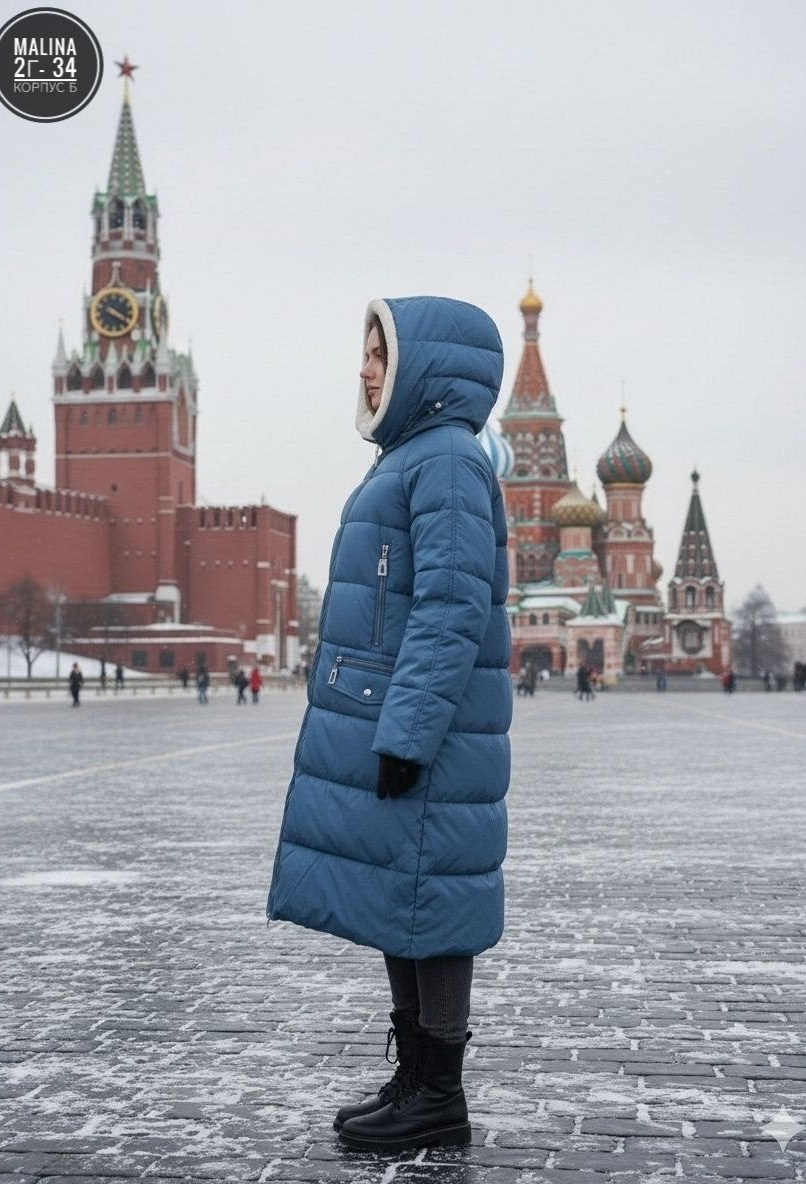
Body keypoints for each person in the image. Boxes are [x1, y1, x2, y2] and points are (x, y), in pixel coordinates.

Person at [267, 297, 510, 1153]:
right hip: (399, 721)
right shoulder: (413, 458)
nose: (365, 369)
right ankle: (416, 1081)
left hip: (428, 734)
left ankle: (439, 1094)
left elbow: (450, 607)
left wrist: (407, 733)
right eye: (365, 352)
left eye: (380, 353)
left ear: (428, 370)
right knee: (403, 900)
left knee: (432, 904)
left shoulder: (444, 463)